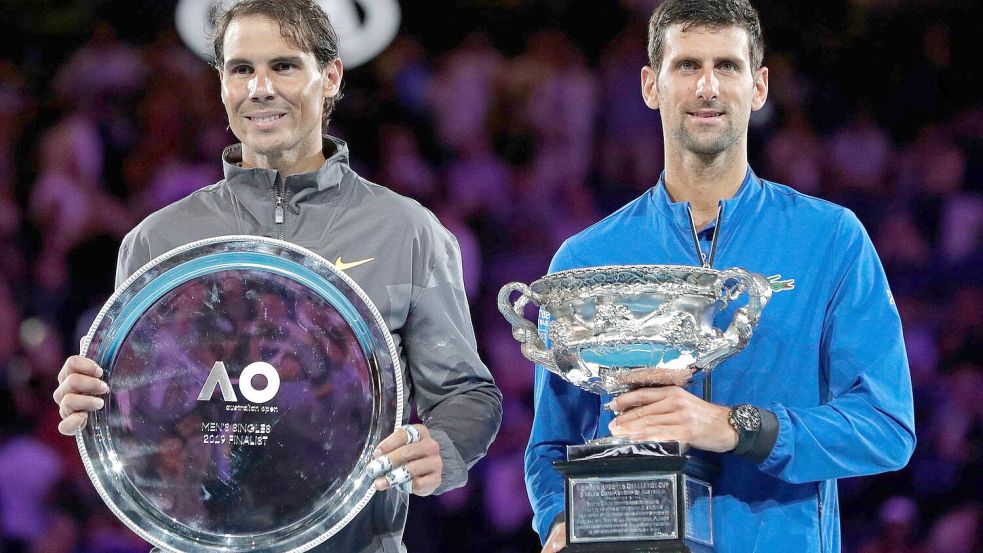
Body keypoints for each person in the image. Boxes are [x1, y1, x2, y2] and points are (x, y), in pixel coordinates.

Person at [50, 1, 502, 551]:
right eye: (241, 69)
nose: (260, 88)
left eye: (284, 66)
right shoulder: (156, 241)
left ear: (330, 76)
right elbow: (147, 412)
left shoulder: (406, 230)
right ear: (222, 84)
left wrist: (443, 448)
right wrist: (93, 402)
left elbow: (466, 392)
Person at [524, 1, 915, 551]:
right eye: (686, 66)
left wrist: (735, 427)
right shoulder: (585, 261)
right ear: (649, 86)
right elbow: (550, 446)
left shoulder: (830, 239)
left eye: (726, 66)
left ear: (758, 87)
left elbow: (885, 428)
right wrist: (557, 521)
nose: (707, 86)